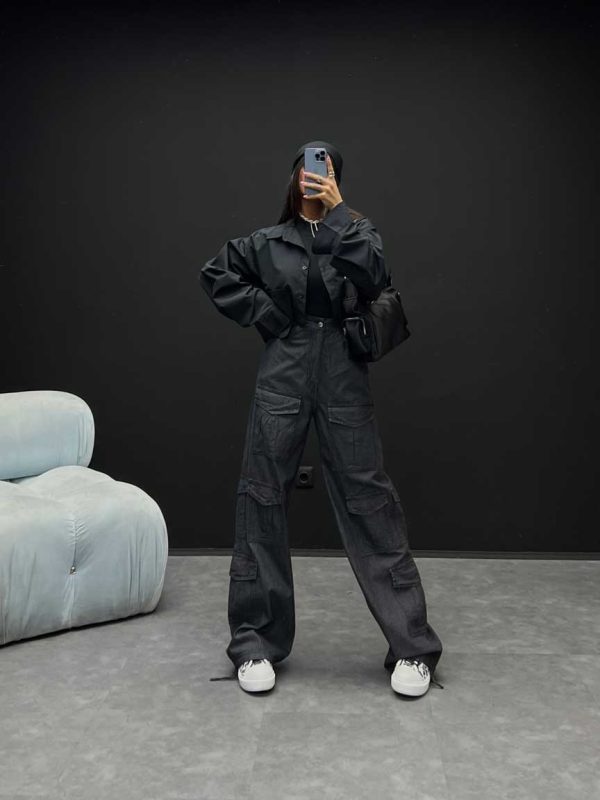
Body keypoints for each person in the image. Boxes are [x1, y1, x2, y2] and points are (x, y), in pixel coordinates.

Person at [198, 139, 443, 696]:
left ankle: (413, 648)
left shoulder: (357, 232)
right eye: (308, 169)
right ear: (294, 178)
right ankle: (255, 644)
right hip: (283, 367)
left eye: (325, 170)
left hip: (342, 370)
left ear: (335, 179)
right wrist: (266, 314)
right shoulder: (267, 242)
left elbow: (376, 277)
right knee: (261, 497)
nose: (314, 177)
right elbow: (216, 273)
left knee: (369, 499)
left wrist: (339, 212)